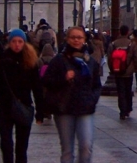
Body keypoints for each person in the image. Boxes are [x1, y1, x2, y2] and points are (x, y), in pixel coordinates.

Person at [42, 26, 102, 163]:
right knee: (67, 150)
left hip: (85, 108)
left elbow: (97, 85)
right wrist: (64, 78)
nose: (76, 40)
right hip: (64, 108)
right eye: (73, 37)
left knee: (86, 146)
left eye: (79, 37)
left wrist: (92, 100)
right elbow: (46, 82)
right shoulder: (58, 60)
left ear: (84, 40)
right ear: (67, 39)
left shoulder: (90, 61)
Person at [0, 29, 43, 163]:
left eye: (20, 41)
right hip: (6, 108)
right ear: (9, 43)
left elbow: (37, 88)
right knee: (6, 145)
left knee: (21, 148)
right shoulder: (3, 62)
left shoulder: (31, 63)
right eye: (14, 41)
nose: (17, 45)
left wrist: (40, 111)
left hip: (24, 106)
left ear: (24, 43)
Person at [107, 25, 137, 120]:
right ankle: (128, 109)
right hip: (128, 72)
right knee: (128, 90)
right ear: (127, 32)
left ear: (119, 32)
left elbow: (110, 58)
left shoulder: (113, 44)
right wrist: (134, 68)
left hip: (117, 71)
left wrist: (112, 69)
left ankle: (122, 111)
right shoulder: (132, 44)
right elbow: (136, 57)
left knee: (120, 91)